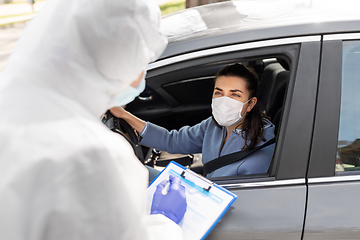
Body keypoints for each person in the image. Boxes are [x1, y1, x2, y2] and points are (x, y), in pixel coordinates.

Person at [0, 0, 187, 239]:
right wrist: (166, 221)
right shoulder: (90, 157)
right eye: (142, 61)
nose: (142, 75)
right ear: (119, 56)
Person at [110, 63, 276, 177]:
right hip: (206, 189)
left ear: (251, 103)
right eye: (219, 92)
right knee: (136, 171)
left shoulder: (261, 150)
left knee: (136, 175)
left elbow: (250, 197)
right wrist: (124, 115)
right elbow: (172, 140)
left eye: (235, 94)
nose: (224, 100)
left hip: (221, 209)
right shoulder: (214, 125)